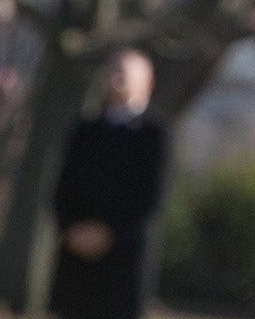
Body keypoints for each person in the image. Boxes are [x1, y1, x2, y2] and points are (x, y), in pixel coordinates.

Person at [48, 50, 167, 319]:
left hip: (123, 264)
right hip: (77, 265)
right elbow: (62, 189)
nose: (115, 78)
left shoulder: (154, 134)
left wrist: (108, 233)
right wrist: (71, 228)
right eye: (111, 70)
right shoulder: (83, 131)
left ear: (146, 81)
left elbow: (150, 196)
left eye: (123, 72)